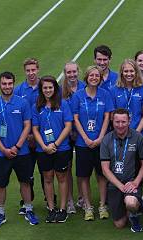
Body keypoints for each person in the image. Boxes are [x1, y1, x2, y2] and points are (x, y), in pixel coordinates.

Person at [0, 71, 39, 228]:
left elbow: (27, 126)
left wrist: (16, 146)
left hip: (21, 152)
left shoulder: (22, 104)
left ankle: (28, 209)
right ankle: (0, 214)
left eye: (10, 84)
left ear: (13, 84)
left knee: (25, 182)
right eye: (4, 84)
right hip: (1, 153)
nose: (7, 86)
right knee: (1, 184)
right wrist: (3, 149)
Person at [71, 66, 114, 221]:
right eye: (91, 75)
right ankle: (88, 206)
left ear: (100, 78)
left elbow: (107, 117)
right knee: (84, 176)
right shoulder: (78, 96)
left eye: (97, 75)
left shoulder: (105, 95)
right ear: (86, 77)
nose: (94, 78)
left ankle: (102, 205)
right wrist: (86, 139)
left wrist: (101, 137)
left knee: (102, 175)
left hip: (101, 142)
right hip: (83, 143)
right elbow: (75, 119)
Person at [100, 108, 143, 232]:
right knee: (120, 224)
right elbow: (105, 169)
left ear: (129, 121)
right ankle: (137, 204)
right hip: (115, 185)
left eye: (123, 122)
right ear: (112, 121)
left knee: (131, 203)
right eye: (117, 122)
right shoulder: (106, 140)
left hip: (132, 182)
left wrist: (135, 182)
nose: (120, 125)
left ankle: (134, 213)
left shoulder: (138, 138)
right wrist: (121, 186)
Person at [31, 76, 73, 223]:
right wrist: (43, 146)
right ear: (41, 90)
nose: (48, 90)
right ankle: (51, 208)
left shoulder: (63, 104)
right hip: (43, 150)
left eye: (50, 87)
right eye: (45, 88)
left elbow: (68, 126)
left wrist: (55, 144)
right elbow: (35, 129)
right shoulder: (37, 107)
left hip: (61, 148)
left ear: (55, 89)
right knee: (47, 179)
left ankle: (62, 209)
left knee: (62, 178)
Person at [13, 58, 44, 214]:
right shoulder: (18, 91)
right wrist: (28, 136)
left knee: (47, 172)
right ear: (24, 71)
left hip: (43, 138)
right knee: (26, 173)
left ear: (38, 69)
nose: (31, 73)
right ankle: (26, 202)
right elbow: (17, 116)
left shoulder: (44, 87)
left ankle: (49, 199)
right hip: (26, 140)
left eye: (33, 70)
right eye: (28, 70)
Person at [61, 61, 85, 214]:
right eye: (69, 72)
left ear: (78, 71)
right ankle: (69, 200)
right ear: (65, 73)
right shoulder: (60, 91)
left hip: (83, 133)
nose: (72, 75)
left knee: (82, 169)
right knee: (67, 168)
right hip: (66, 134)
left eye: (74, 71)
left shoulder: (85, 86)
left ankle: (82, 198)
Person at [111, 59, 143, 136]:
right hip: (119, 133)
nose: (129, 74)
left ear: (136, 72)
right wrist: (120, 131)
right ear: (121, 73)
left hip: (139, 133)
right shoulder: (114, 90)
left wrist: (136, 133)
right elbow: (112, 115)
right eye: (126, 71)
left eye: (131, 71)